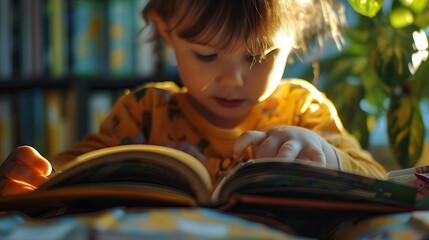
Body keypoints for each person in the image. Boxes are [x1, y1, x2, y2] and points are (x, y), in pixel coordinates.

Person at [0, 0, 386, 196]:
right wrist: (35, 177)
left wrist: (326, 154)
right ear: (167, 33)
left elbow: (380, 183)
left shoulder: (304, 110)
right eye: (205, 55)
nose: (233, 80)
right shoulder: (144, 112)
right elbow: (73, 173)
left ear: (295, 39)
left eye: (258, 56)